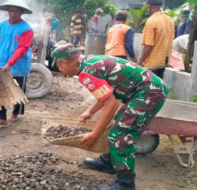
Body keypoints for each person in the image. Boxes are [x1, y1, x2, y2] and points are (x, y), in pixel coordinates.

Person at [51, 43, 168, 190]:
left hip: (150, 92)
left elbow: (111, 104)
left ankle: (125, 183)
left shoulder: (87, 72)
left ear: (63, 62)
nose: (61, 71)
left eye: (59, 67)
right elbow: (105, 94)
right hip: (146, 89)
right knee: (117, 125)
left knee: (121, 135)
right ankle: (109, 162)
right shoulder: (89, 62)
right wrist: (90, 112)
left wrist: (95, 134)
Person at [138, 0, 174, 79]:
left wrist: (141, 61)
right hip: (163, 61)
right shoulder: (170, 20)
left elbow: (148, 45)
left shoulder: (152, 21)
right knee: (158, 86)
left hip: (152, 63)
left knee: (150, 88)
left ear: (149, 6)